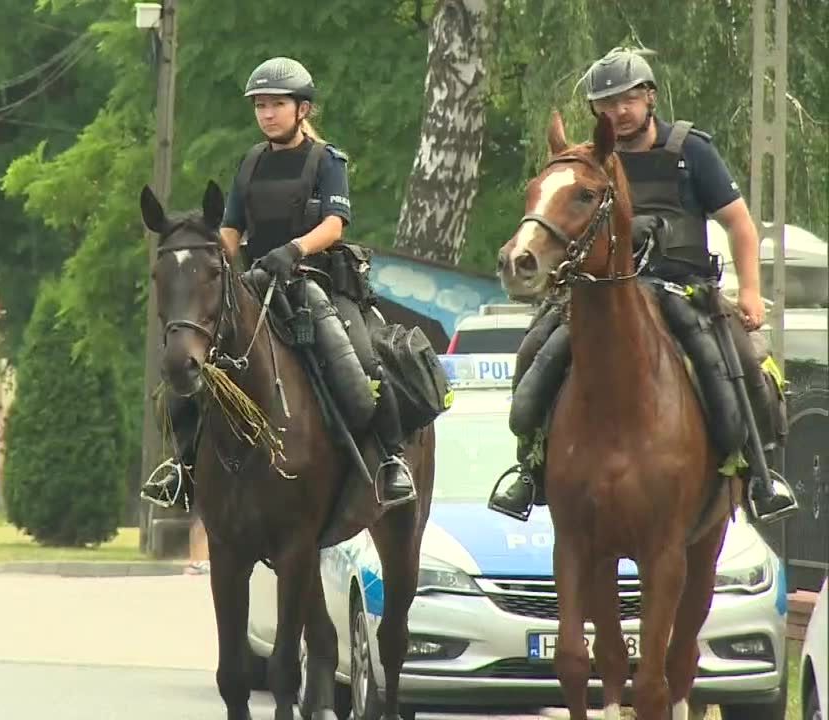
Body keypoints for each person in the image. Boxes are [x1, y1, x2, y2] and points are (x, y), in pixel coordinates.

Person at [487, 47, 799, 523]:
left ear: (649, 97)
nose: (617, 112)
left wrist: (752, 291)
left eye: (627, 100)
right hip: (599, 294)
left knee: (743, 363)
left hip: (683, 290)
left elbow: (738, 223)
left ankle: (759, 475)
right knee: (534, 351)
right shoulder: (592, 159)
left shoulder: (692, 151)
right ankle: (528, 470)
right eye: (606, 104)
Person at [140, 56, 417, 510]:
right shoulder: (249, 164)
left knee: (364, 363)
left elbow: (334, 224)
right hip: (252, 283)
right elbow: (228, 231)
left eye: (277, 104)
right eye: (260, 106)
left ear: (302, 109)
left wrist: (293, 250)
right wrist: (211, 270)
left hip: (314, 281)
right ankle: (182, 466)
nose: (267, 114)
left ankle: (392, 459)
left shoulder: (327, 161)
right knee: (188, 361)